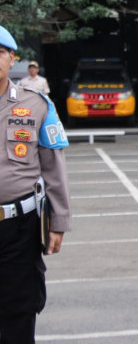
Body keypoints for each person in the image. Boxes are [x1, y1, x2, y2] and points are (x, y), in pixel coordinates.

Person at [0, 25, 70, 343]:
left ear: (12, 58)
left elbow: (53, 169)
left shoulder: (38, 104)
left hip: (19, 228)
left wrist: (58, 221)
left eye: (0, 53)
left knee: (19, 311)